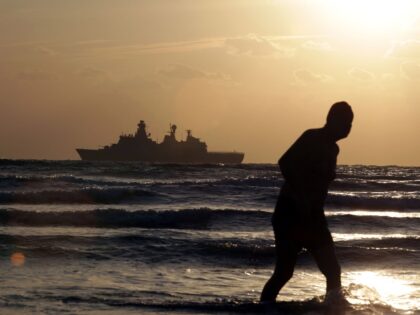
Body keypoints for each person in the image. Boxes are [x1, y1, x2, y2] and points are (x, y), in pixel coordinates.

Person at [260, 101, 354, 304]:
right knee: (284, 272)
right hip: (290, 212)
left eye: (351, 124)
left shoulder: (334, 149)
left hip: (314, 216)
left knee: (332, 271)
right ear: (332, 120)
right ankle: (264, 308)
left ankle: (332, 309)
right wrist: (301, 195)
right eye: (346, 122)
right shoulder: (311, 137)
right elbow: (284, 162)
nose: (349, 128)